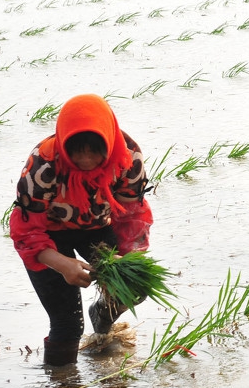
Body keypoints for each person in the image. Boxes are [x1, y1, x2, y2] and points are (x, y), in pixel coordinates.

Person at [10, 94, 153, 367]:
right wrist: (62, 264)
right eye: (76, 150)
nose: (85, 159)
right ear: (64, 145)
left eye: (94, 150)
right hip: (48, 237)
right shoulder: (43, 164)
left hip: (97, 227)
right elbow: (26, 232)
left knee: (134, 287)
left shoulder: (127, 157)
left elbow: (132, 213)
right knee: (67, 324)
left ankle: (101, 317)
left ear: (108, 144)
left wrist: (129, 256)